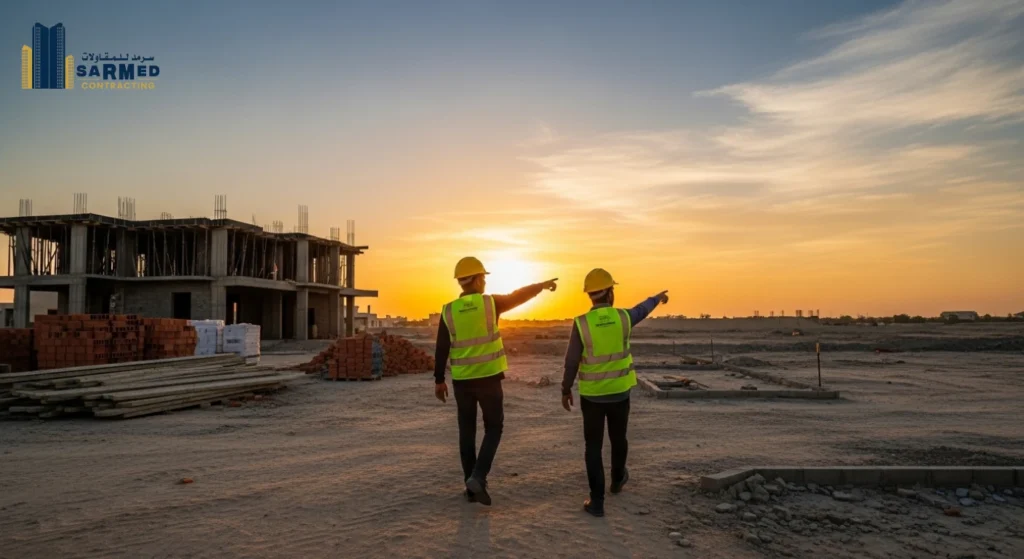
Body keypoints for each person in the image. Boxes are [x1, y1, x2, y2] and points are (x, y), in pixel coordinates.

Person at [435, 256, 557, 506]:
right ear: (477, 279)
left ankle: (471, 489)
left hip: (462, 382)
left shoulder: (449, 310)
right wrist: (541, 286)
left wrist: (439, 379)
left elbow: (441, 347)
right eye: (484, 278)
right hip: (489, 379)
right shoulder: (490, 303)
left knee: (467, 432)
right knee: (494, 427)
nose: (485, 282)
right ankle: (478, 477)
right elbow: (517, 296)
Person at [561, 268, 668, 517]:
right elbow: (642, 309)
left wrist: (565, 389)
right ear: (610, 292)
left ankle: (597, 502)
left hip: (592, 396)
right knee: (619, 439)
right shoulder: (623, 317)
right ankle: (618, 479)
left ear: (590, 295)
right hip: (620, 393)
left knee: (593, 446)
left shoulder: (582, 323)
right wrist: (657, 297)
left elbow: (571, 360)